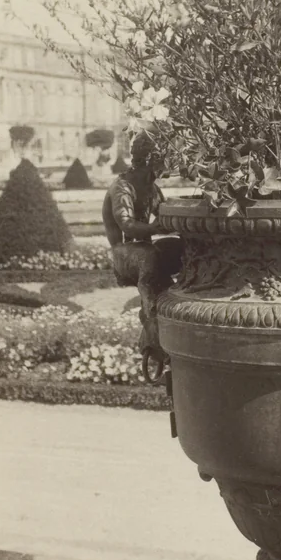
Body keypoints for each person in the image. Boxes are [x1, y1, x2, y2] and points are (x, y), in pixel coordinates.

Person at [103, 128, 183, 376]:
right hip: (124, 254)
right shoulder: (122, 187)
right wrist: (154, 227)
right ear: (149, 159)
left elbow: (164, 214)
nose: (165, 166)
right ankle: (151, 323)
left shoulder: (152, 188)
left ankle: (182, 300)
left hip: (145, 249)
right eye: (162, 160)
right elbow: (126, 224)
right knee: (149, 257)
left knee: (184, 249)